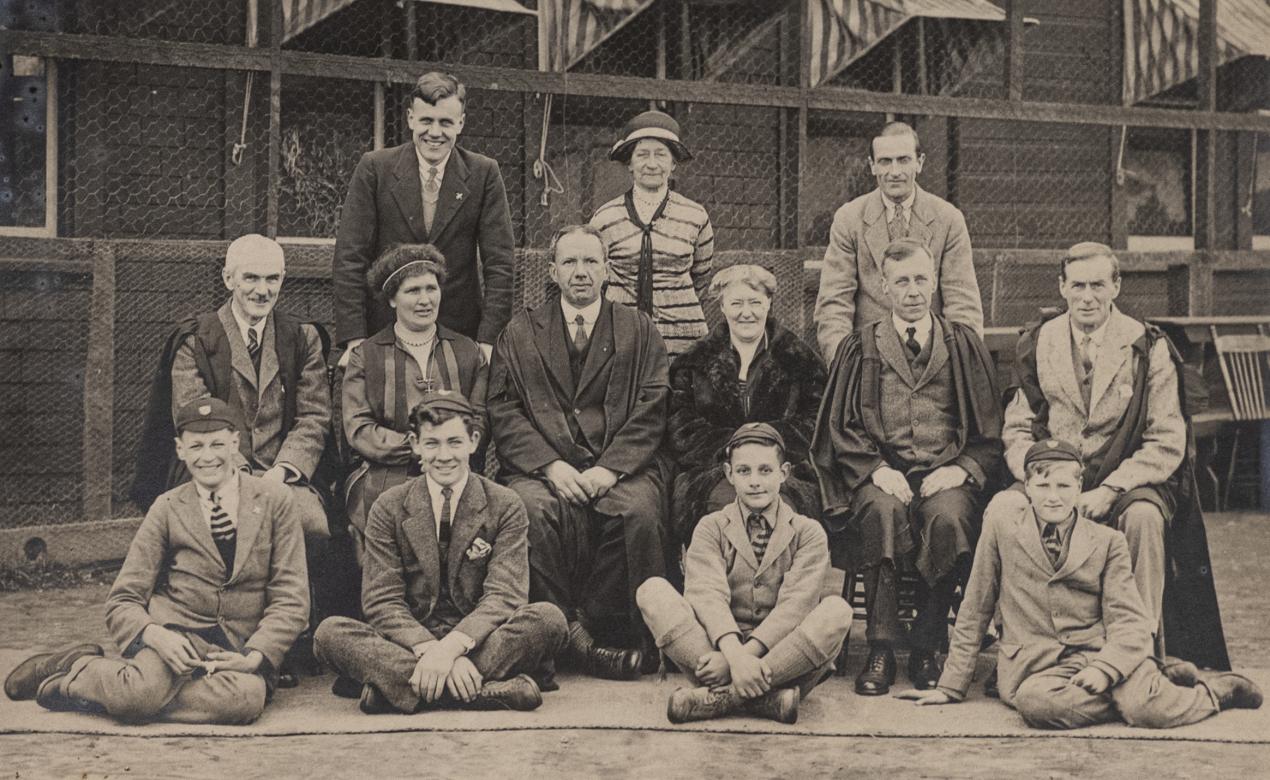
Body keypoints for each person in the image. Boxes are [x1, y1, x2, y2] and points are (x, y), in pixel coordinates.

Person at [899, 439, 1262, 729]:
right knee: (1037, 705)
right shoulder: (1004, 529)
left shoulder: (1106, 542)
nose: (1053, 496)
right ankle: (1150, 688)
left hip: (1098, 653)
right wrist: (951, 685)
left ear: (1079, 487)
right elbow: (976, 605)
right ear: (1028, 488)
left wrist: (1105, 669)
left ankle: (1215, 693)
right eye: (1042, 485)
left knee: (1151, 715)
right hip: (1038, 671)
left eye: (1063, 485)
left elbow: (1130, 622)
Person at [6, 398, 309, 724]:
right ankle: (83, 672)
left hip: (237, 646)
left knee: (245, 700)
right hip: (174, 636)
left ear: (235, 443)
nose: (208, 457)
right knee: (140, 696)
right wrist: (154, 634)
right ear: (180, 450)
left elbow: (291, 597)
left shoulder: (276, 501)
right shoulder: (166, 508)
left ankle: (105, 685)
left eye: (217, 444)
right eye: (196, 447)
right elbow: (123, 599)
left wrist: (255, 656)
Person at [1003, 241, 1228, 669]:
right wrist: (1040, 482)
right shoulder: (1038, 342)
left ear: (1116, 286)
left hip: (1127, 480)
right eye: (1078, 286)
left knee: (1143, 518)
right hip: (1054, 476)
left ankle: (1136, 653)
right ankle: (1028, 649)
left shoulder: (1148, 346)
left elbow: (1166, 439)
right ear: (1062, 287)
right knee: (1007, 508)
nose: (1088, 297)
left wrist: (1110, 489)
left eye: (1098, 285)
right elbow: (1018, 425)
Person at [129, 233, 337, 683]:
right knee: (227, 525)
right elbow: (193, 420)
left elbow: (315, 416)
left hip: (285, 473)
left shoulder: (302, 338)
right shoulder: (196, 339)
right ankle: (223, 636)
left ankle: (288, 640)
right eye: (250, 278)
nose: (262, 289)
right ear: (228, 278)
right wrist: (241, 477)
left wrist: (283, 472)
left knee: (312, 524)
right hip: (214, 471)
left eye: (272, 278)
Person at [811, 237, 1003, 696]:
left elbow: (989, 430)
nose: (913, 290)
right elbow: (840, 426)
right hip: (880, 471)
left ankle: (926, 645)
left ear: (935, 280)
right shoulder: (861, 346)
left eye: (921, 279)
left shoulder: (962, 345)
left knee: (950, 517)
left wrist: (960, 469)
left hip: (946, 469)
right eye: (902, 281)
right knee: (882, 513)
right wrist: (877, 469)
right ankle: (880, 646)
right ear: (884, 286)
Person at [488, 224, 671, 680]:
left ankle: (604, 632)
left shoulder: (638, 329)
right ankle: (554, 636)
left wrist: (610, 468)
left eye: (591, 261)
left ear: (607, 270)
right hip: (544, 465)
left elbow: (654, 405)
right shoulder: (521, 332)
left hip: (621, 466)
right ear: (552, 271)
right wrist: (550, 465)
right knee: (527, 509)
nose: (581, 272)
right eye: (569, 262)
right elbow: (504, 409)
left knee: (640, 513)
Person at [315, 392, 567, 714]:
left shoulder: (505, 505)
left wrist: (449, 650)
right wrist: (429, 650)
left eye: (454, 442)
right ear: (415, 444)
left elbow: (505, 596)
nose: (444, 455)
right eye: (432, 444)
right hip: (412, 641)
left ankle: (401, 689)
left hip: (479, 639)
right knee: (329, 634)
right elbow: (382, 601)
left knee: (548, 619)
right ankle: (484, 692)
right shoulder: (389, 507)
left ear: (474, 442)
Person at [638, 423, 852, 725]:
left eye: (765, 471)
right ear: (728, 474)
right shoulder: (712, 526)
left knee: (837, 611)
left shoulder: (807, 532)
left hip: (781, 656)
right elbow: (706, 594)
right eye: (744, 471)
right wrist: (731, 652)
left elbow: (796, 606)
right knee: (651, 591)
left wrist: (735, 663)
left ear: (784, 473)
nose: (755, 482)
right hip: (716, 647)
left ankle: (721, 697)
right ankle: (767, 700)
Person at [333, 71, 515, 365]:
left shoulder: (484, 173)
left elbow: (501, 263)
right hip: (385, 327)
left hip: (458, 332)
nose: (435, 132)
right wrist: (355, 337)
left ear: (461, 123)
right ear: (410, 119)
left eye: (445, 122)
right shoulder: (375, 169)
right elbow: (350, 256)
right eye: (426, 121)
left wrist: (488, 340)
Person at [667, 263, 826, 545]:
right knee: (724, 508)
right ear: (723, 307)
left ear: (769, 303)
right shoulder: (693, 362)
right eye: (736, 303)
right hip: (715, 470)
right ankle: (725, 587)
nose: (746, 312)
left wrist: (766, 450)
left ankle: (778, 587)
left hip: (783, 470)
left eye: (755, 302)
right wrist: (735, 450)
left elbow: (815, 421)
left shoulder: (801, 360)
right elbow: (682, 426)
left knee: (782, 508)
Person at [342, 243, 488, 544]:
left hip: (456, 469)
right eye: (413, 291)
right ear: (392, 299)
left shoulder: (468, 352)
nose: (425, 300)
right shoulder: (365, 356)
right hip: (386, 474)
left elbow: (479, 419)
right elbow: (359, 428)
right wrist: (421, 449)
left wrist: (442, 454)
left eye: (431, 288)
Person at [813, 121, 983, 364]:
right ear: (872, 166)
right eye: (885, 161)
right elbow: (834, 306)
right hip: (870, 361)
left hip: (931, 362)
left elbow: (963, 305)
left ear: (920, 162)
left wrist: (954, 370)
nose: (894, 172)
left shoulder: (948, 219)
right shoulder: (849, 219)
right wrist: (846, 368)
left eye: (903, 160)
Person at [590, 110, 714, 358]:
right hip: (619, 339)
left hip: (683, 340)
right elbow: (596, 279)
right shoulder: (604, 218)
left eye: (661, 155)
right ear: (630, 164)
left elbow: (701, 276)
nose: (652, 164)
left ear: (673, 163)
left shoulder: (695, 216)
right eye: (642, 155)